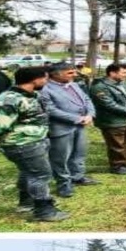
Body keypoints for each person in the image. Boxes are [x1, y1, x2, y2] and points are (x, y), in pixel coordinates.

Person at [0, 67, 68, 221]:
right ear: (35, 79)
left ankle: (26, 202)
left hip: (34, 141)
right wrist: (12, 141)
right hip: (22, 144)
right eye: (44, 78)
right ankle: (44, 210)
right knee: (40, 175)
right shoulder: (10, 100)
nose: (46, 81)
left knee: (28, 172)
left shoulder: (32, 95)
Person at [39, 63, 98, 199]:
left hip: (81, 125)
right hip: (61, 128)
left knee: (79, 153)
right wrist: (76, 118)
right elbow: (50, 109)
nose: (75, 75)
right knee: (60, 157)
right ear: (55, 74)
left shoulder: (74, 85)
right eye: (70, 73)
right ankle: (63, 184)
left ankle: (77, 176)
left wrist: (90, 114)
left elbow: (87, 99)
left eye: (74, 72)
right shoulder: (45, 89)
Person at [90, 64, 126, 175]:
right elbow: (109, 104)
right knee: (116, 144)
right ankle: (117, 165)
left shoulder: (122, 83)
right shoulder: (100, 86)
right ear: (112, 73)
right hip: (112, 120)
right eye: (123, 73)